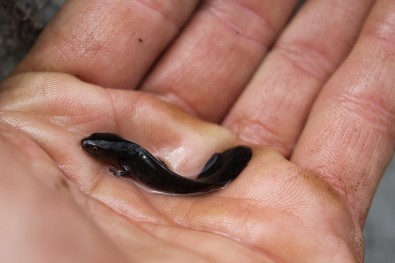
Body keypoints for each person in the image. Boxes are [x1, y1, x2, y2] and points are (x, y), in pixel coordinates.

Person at [0, 0, 393, 262]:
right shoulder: (128, 156)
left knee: (195, 178)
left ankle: (220, 172)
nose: (88, 148)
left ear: (113, 152)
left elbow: (132, 162)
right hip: (167, 178)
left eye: (94, 148)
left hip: (172, 178)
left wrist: (121, 171)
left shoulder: (131, 158)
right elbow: (132, 161)